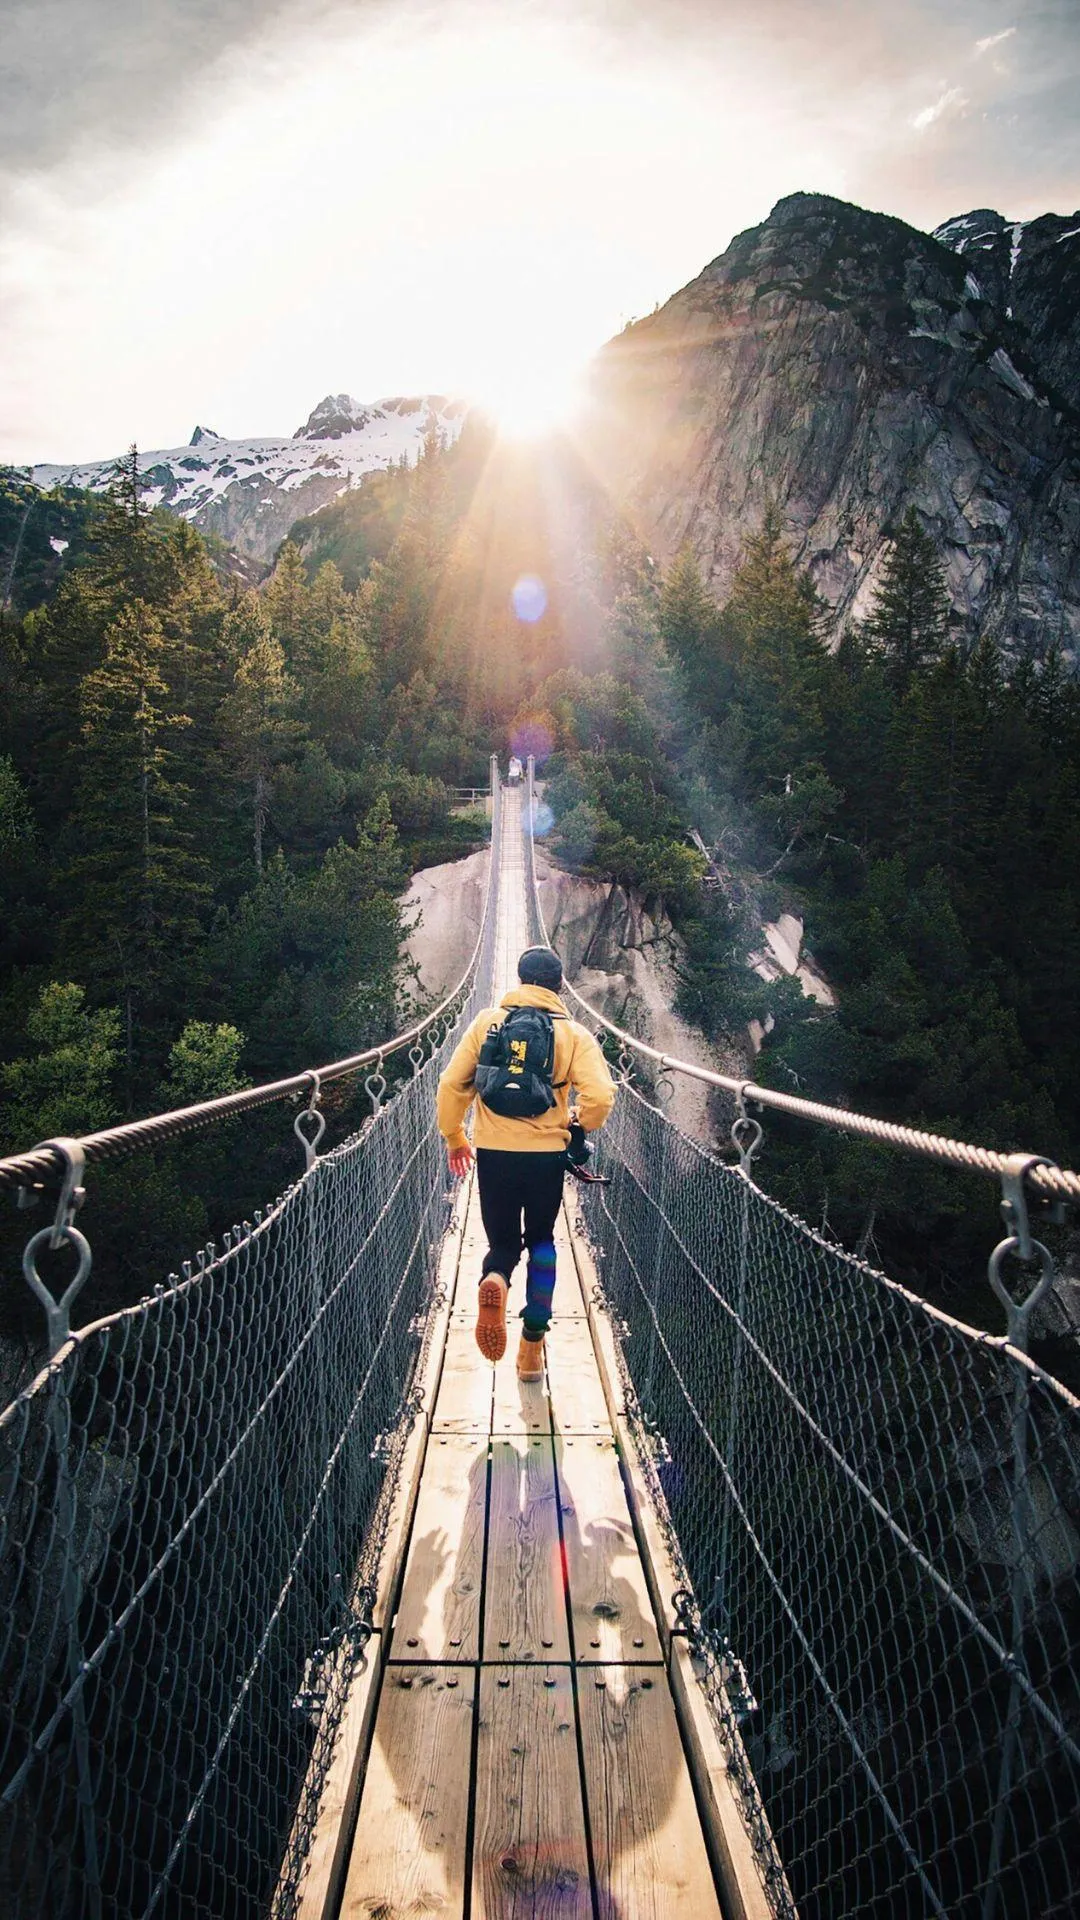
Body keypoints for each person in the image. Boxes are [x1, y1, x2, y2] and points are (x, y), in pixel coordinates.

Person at [436, 945, 615, 1380]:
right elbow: (601, 1097)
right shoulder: (574, 1035)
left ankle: (494, 1277)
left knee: (502, 1243)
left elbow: (451, 1084)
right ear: (558, 985)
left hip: (494, 1154)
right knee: (541, 1244)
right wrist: (577, 1124)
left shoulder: (487, 1023)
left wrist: (455, 1137)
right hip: (545, 1160)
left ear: (519, 980)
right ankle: (531, 1347)